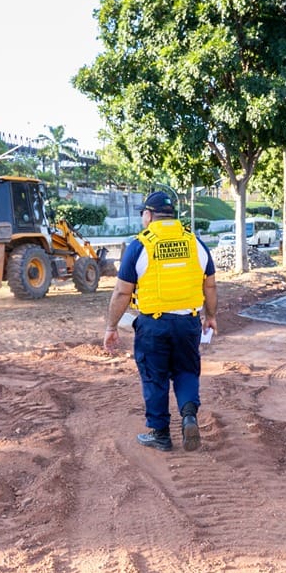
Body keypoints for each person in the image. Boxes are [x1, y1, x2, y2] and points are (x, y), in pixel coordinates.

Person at [103, 191, 218, 452]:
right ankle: (188, 415)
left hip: (153, 326)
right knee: (186, 371)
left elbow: (122, 291)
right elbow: (209, 285)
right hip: (188, 323)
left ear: (149, 215)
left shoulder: (140, 245)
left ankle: (161, 434)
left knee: (155, 378)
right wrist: (210, 317)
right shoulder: (195, 243)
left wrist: (111, 326)